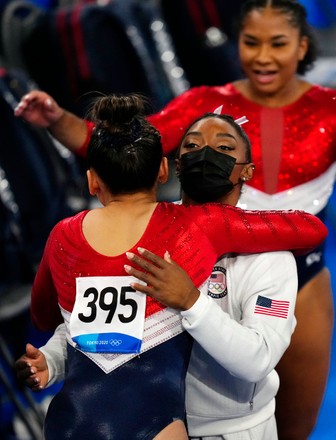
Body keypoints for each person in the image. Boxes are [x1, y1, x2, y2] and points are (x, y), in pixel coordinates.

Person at [14, 1, 335, 438]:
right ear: (170, 166)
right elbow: (121, 148)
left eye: (277, 43)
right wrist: (56, 121)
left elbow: (310, 232)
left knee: (294, 423)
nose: (263, 55)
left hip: (299, 272)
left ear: (301, 46)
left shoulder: (328, 107)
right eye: (251, 41)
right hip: (177, 393)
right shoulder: (205, 106)